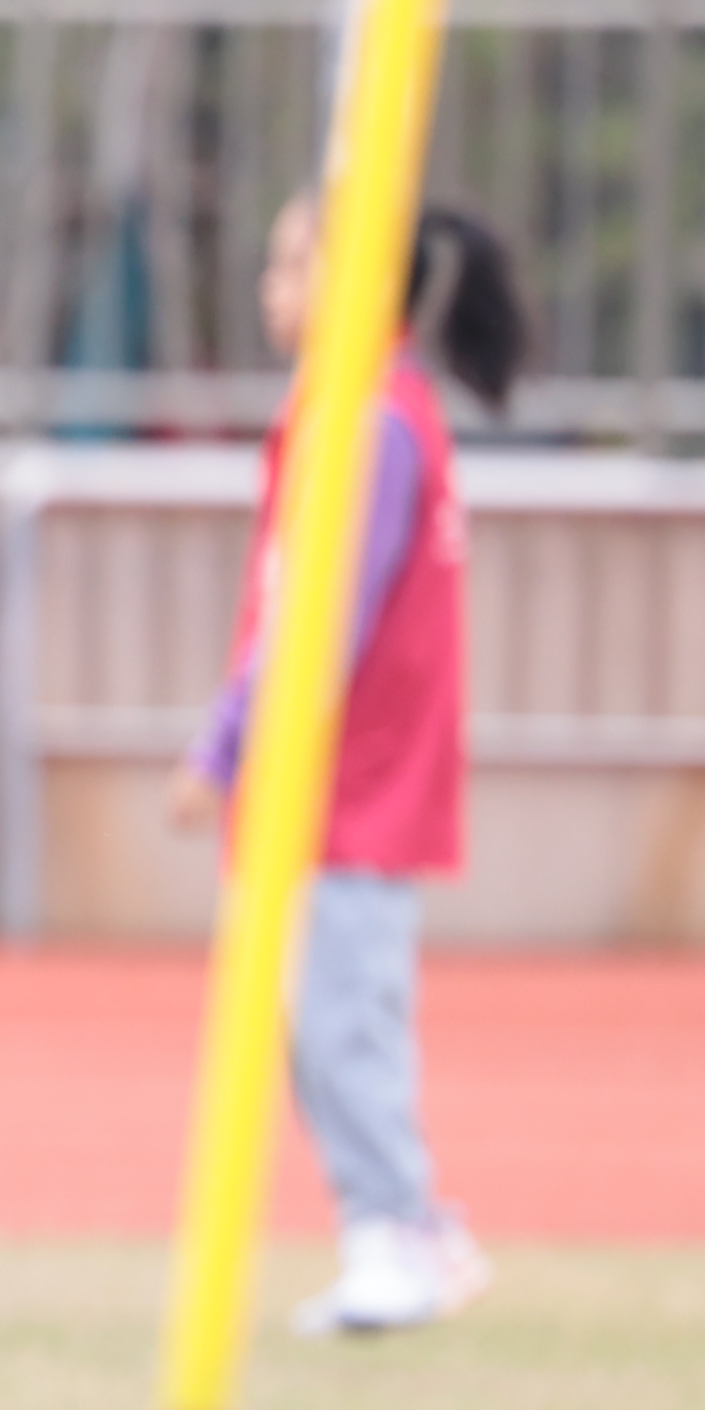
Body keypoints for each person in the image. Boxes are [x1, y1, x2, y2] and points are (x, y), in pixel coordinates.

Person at [177, 193, 526, 1337]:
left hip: (351, 785)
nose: (271, 285)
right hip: (345, 782)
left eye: (295, 263)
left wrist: (228, 744)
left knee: (343, 1024)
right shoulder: (357, 412)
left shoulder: (370, 424)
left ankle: (396, 1230)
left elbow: (320, 617)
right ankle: (403, 1225)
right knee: (320, 1018)